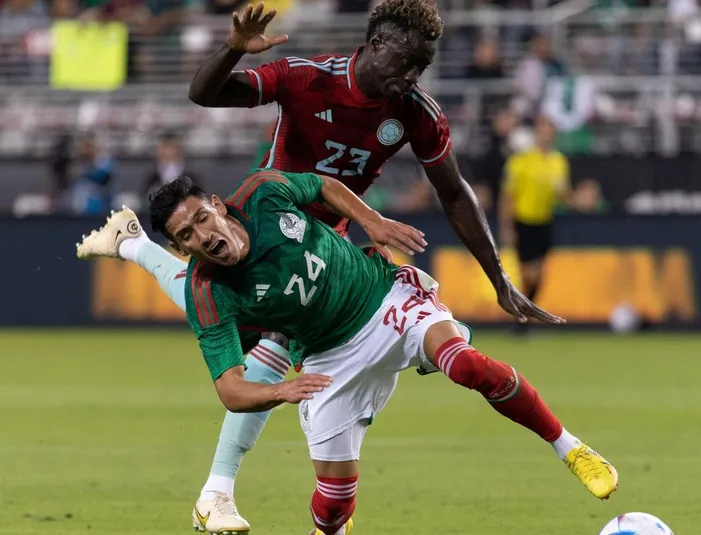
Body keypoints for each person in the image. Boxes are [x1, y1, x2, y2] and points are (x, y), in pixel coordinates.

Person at [77, 1, 555, 532]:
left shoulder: (416, 111)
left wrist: (498, 276)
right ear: (375, 45)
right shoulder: (307, 78)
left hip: (327, 240)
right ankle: (216, 493)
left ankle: (135, 250)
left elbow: (455, 193)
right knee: (243, 331)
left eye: (421, 67)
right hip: (267, 223)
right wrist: (233, 48)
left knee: (255, 338)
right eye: (404, 62)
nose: (411, 77)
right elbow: (205, 93)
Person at [95, 171, 617, 535]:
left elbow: (322, 186)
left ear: (217, 204)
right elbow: (230, 389)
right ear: (182, 248)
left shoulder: (262, 194)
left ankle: (569, 447)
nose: (203, 236)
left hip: (384, 298)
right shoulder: (208, 290)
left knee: (465, 364)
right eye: (187, 236)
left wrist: (372, 221)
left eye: (201, 219)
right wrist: (281, 390)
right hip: (328, 359)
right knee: (333, 507)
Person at [499, 115, 573, 335]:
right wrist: (507, 227)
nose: (546, 135)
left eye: (550, 131)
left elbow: (562, 193)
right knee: (528, 275)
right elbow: (508, 196)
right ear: (536, 133)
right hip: (524, 221)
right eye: (543, 130)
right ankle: (522, 317)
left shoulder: (558, 162)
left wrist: (575, 200)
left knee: (538, 275)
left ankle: (523, 320)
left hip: (545, 221)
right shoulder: (521, 160)